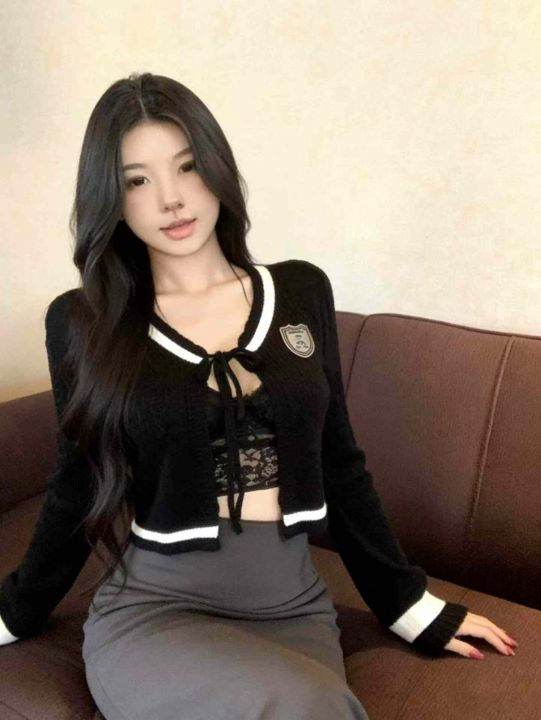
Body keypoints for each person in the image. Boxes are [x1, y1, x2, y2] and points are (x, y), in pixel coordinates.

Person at [0, 72, 518, 720]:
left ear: (216, 167)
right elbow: (76, 485)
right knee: (304, 705)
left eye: (187, 166)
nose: (170, 198)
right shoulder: (85, 322)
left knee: (308, 700)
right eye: (137, 181)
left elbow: (339, 460)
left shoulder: (300, 292)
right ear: (112, 198)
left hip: (292, 608)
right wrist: (14, 613)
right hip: (157, 611)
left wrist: (406, 603)